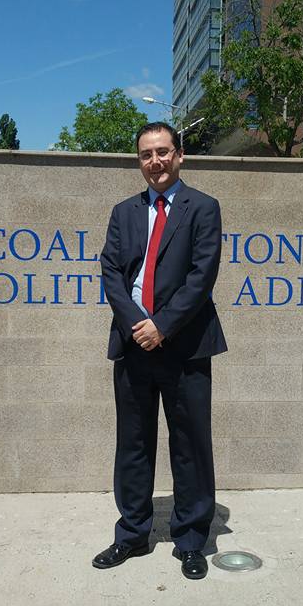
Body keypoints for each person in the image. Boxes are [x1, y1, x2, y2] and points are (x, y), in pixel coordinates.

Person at [93, 122, 227, 580]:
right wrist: (139, 325)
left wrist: (162, 326)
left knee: (190, 447)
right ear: (139, 161)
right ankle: (132, 534)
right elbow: (111, 272)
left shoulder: (203, 208)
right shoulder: (123, 212)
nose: (155, 161)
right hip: (134, 345)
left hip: (186, 346)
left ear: (180, 155)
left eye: (163, 152)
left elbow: (201, 276)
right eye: (146, 154)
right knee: (133, 446)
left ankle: (190, 540)